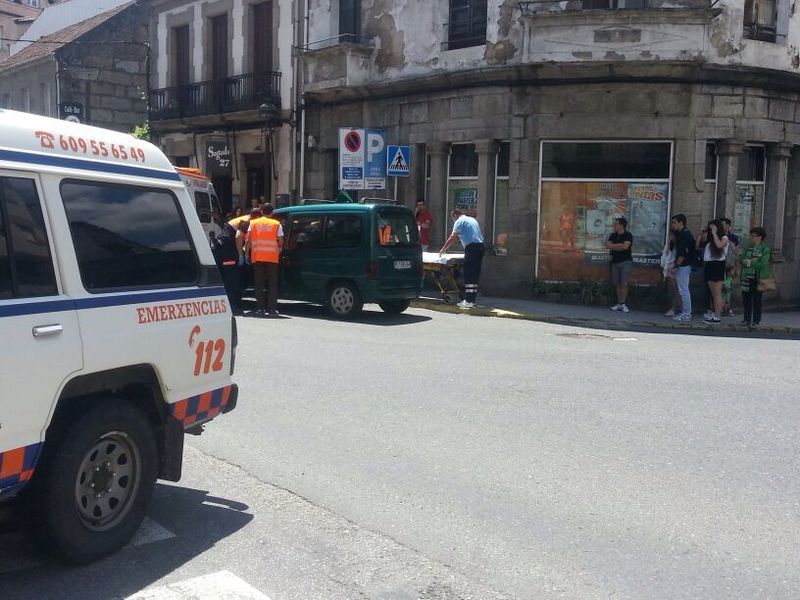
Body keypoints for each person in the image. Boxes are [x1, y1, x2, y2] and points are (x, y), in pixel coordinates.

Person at [439, 209, 485, 309]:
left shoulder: (459, 221)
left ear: (455, 215)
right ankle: (471, 300)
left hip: (472, 248)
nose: (453, 221)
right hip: (480, 247)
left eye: (453, 218)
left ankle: (468, 301)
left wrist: (443, 249)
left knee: (469, 274)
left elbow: (453, 237)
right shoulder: (471, 220)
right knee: (474, 274)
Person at [246, 203, 284, 316]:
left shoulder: (253, 223)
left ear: (261, 212)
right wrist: (280, 248)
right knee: (272, 284)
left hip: (257, 257)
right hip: (272, 258)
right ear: (272, 213)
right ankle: (272, 310)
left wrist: (246, 254)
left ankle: (260, 309)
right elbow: (280, 240)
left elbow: (248, 240)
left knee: (259, 284)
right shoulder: (277, 224)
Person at [696, 219, 729, 325]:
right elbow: (697, 247)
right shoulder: (710, 242)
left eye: (713, 228)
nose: (711, 230)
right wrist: (701, 234)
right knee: (712, 293)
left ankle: (717, 316)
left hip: (717, 265)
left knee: (717, 293)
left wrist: (714, 233)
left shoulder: (724, 238)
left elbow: (719, 245)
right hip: (709, 265)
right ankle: (714, 312)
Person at [740, 226, 771, 327]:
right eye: (751, 236)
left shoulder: (765, 249)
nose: (752, 238)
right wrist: (752, 261)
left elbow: (762, 263)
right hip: (746, 276)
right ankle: (746, 319)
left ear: (760, 237)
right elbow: (741, 259)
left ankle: (756, 321)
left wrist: (749, 262)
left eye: (754, 236)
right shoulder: (747, 247)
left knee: (757, 299)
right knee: (746, 299)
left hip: (758, 277)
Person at [210, 220, 243, 314]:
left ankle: (229, 306)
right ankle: (232, 307)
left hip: (222, 252)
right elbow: (239, 236)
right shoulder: (247, 221)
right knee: (232, 283)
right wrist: (241, 254)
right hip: (228, 255)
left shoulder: (235, 224)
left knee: (227, 282)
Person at [605, 217, 633, 313]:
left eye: (616, 224)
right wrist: (619, 246)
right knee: (617, 283)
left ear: (621, 225)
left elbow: (625, 247)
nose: (614, 226)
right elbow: (608, 245)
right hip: (615, 262)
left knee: (624, 283)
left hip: (625, 262)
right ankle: (619, 302)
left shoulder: (628, 235)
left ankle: (623, 303)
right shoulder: (612, 235)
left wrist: (615, 246)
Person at [670, 214, 695, 322]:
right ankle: (686, 313)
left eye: (674, 222)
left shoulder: (683, 235)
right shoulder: (684, 234)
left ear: (681, 222)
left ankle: (686, 314)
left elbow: (682, 254)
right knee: (684, 289)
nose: (672, 225)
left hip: (683, 266)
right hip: (685, 265)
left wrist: (676, 266)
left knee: (683, 290)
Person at [720, 217, 740, 317]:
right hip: (719, 266)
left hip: (729, 266)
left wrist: (736, 268)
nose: (722, 227)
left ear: (728, 226)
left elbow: (736, 254)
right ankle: (719, 307)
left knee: (727, 288)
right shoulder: (718, 236)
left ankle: (727, 307)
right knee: (719, 288)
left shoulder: (734, 238)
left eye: (723, 225)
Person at [660, 230, 681, 317]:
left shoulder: (678, 246)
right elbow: (664, 257)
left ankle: (679, 308)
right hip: (668, 270)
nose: (670, 237)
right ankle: (674, 308)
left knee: (675, 290)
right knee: (671, 291)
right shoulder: (669, 245)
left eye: (671, 235)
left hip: (674, 270)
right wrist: (668, 244)